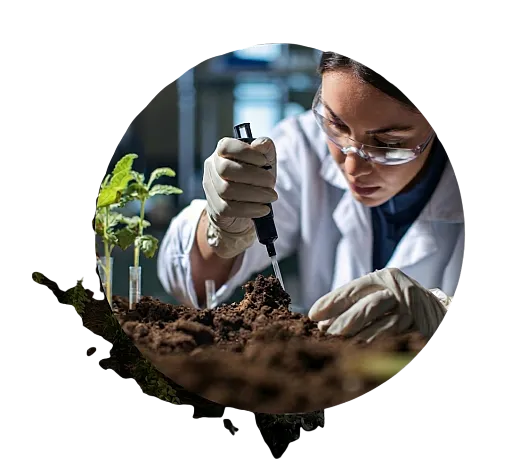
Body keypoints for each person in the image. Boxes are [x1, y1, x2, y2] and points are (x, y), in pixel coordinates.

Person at [157, 50, 464, 343]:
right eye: (337, 125)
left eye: (387, 142)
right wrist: (217, 232)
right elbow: (187, 281)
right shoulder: (303, 145)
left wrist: (441, 313)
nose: (352, 166)